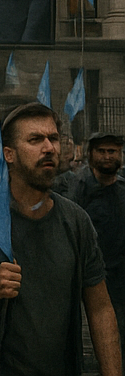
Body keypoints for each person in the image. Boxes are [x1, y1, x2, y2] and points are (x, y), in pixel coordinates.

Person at [0, 102, 121, 375]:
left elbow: (100, 308)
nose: (49, 148)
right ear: (8, 153)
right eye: (35, 140)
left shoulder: (76, 222)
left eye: (53, 138)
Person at [62, 130, 125, 350]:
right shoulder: (77, 189)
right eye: (102, 151)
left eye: (112, 151)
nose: (107, 156)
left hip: (119, 278)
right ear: (90, 154)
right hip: (86, 276)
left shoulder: (122, 190)